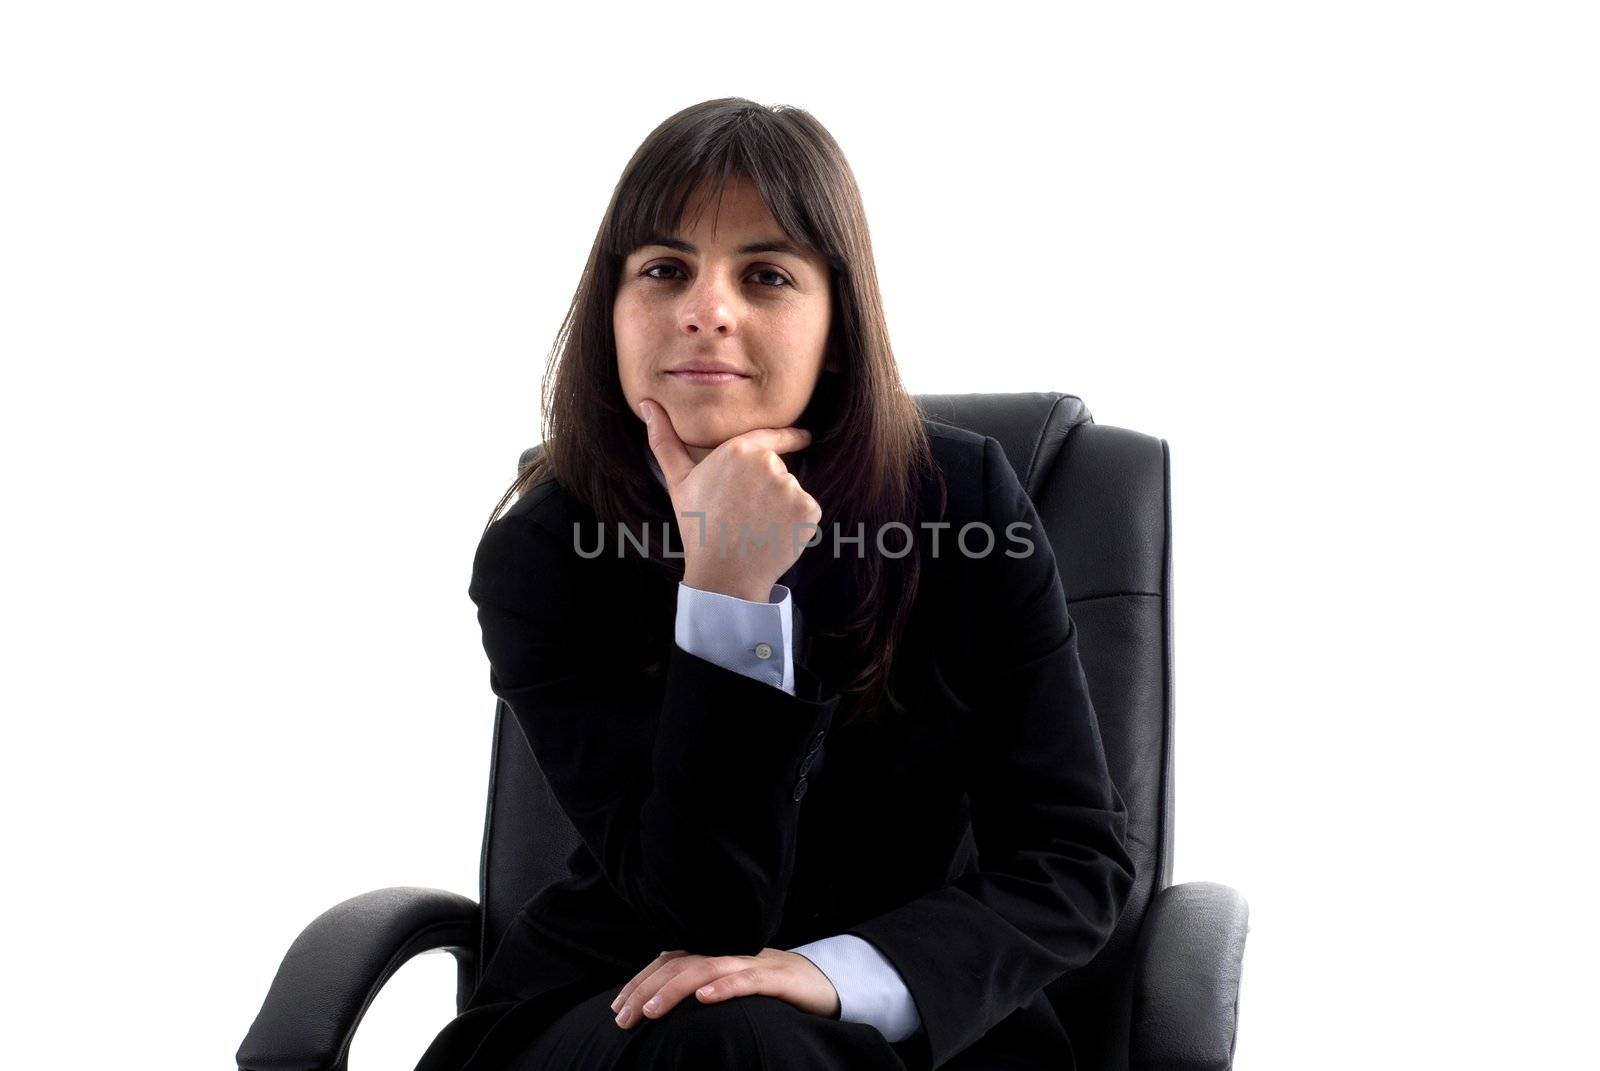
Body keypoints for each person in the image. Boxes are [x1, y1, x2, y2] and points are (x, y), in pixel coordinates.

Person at [413, 97, 1136, 1071]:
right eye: (664, 270)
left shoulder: (959, 501)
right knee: (721, 1033)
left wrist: (833, 972)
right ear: (612, 313)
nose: (707, 308)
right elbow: (702, 913)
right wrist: (725, 594)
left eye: (766, 275)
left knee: (740, 1032)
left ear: (835, 324)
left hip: (910, 1010)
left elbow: (1073, 861)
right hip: (617, 1003)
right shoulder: (544, 549)